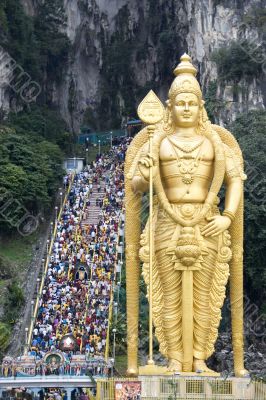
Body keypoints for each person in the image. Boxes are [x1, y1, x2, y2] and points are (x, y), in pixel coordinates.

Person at [126, 54, 248, 376]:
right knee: (168, 295)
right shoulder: (158, 141)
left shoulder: (215, 142)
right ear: (170, 106)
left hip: (208, 224)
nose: (186, 109)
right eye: (180, 103)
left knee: (206, 296)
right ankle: (174, 359)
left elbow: (235, 179)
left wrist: (228, 215)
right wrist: (146, 174)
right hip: (167, 223)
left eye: (191, 103)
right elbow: (136, 184)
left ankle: (198, 358)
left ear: (201, 105)